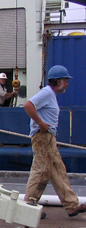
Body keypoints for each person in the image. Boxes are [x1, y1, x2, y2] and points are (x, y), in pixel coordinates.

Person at [24, 65, 86, 217]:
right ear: (59, 82)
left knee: (58, 171)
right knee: (41, 171)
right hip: (42, 136)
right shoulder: (46, 92)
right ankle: (29, 206)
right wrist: (40, 123)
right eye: (66, 81)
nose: (67, 84)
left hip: (48, 137)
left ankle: (72, 205)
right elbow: (28, 105)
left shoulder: (50, 94)